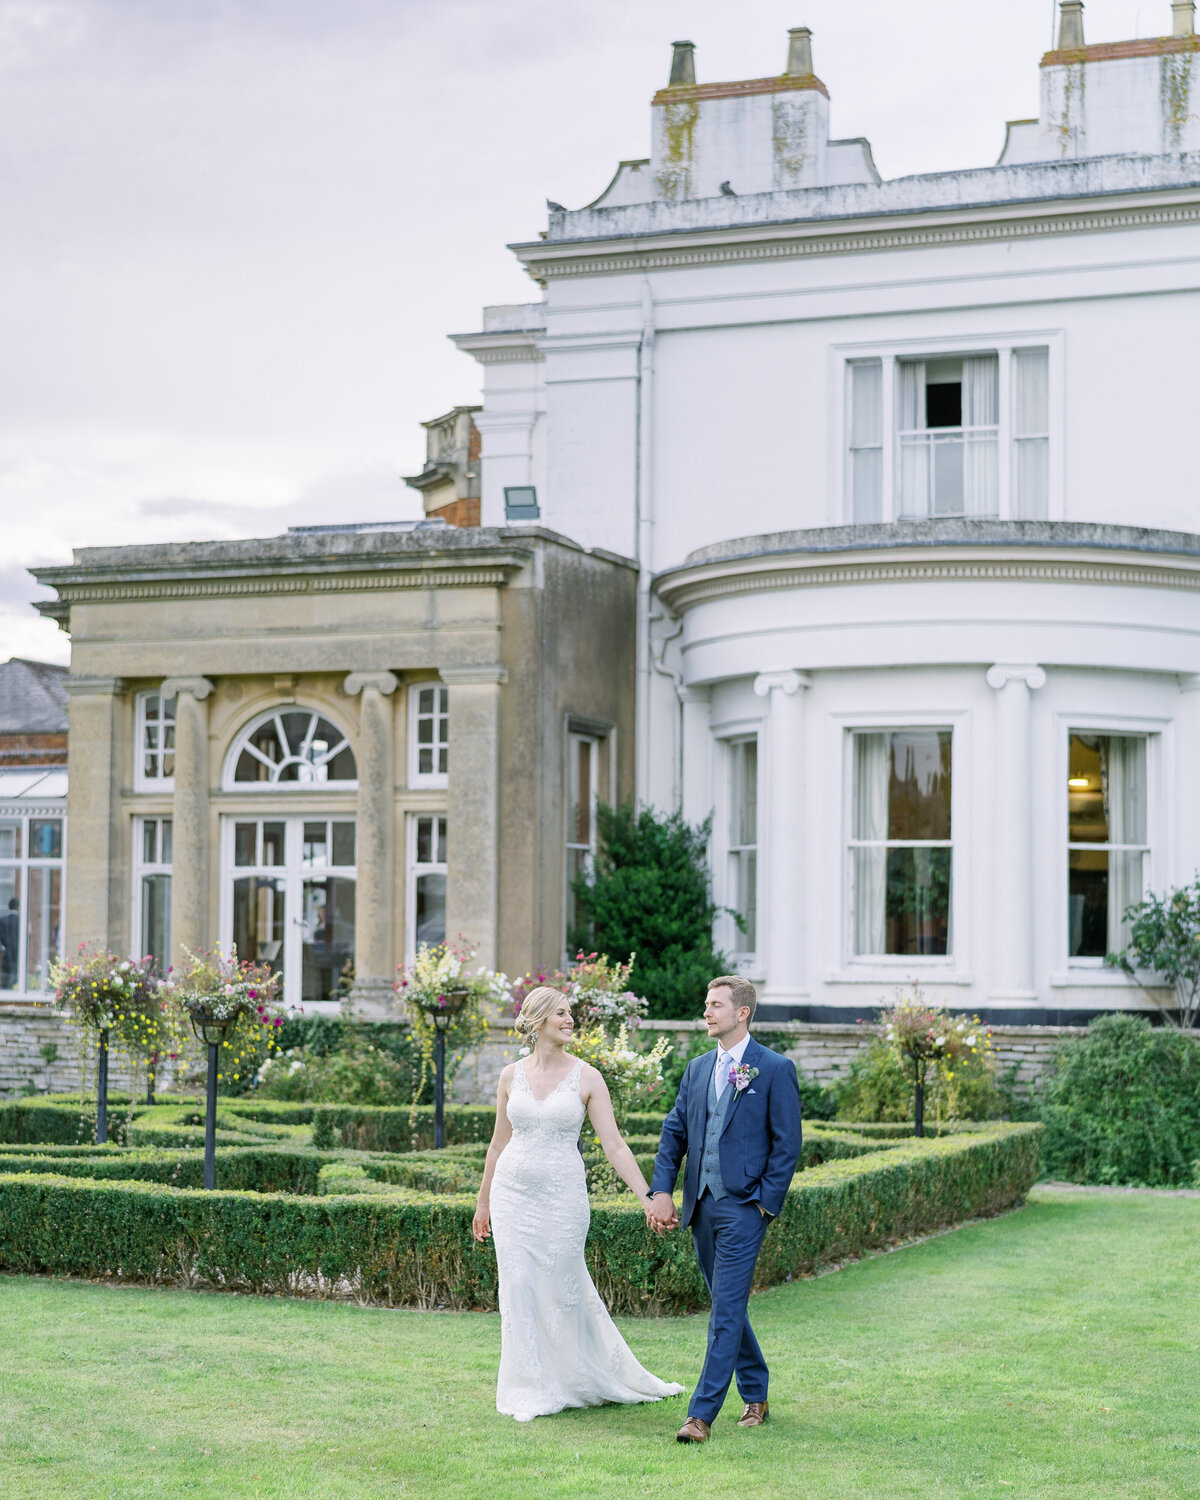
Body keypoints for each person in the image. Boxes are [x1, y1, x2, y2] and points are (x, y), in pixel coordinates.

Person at [472, 985, 684, 1423]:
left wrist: (648, 1197)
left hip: (563, 1198)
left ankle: (579, 1375)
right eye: (562, 1014)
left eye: (571, 1014)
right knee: (519, 1287)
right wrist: (483, 1203)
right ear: (537, 1021)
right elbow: (497, 1144)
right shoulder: (510, 1076)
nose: (570, 1021)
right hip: (511, 1195)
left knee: (563, 1286)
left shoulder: (587, 1077)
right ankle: (531, 1386)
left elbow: (616, 1146)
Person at [646, 975, 802, 1443]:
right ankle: (756, 1392)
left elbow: (787, 1145)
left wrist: (763, 1207)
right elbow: (674, 1134)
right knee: (727, 1306)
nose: (707, 1012)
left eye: (716, 1005)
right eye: (706, 1004)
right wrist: (661, 1190)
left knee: (724, 1311)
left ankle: (700, 1415)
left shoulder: (773, 1068)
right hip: (701, 1205)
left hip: (744, 1209)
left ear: (742, 1013)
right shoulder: (696, 1069)